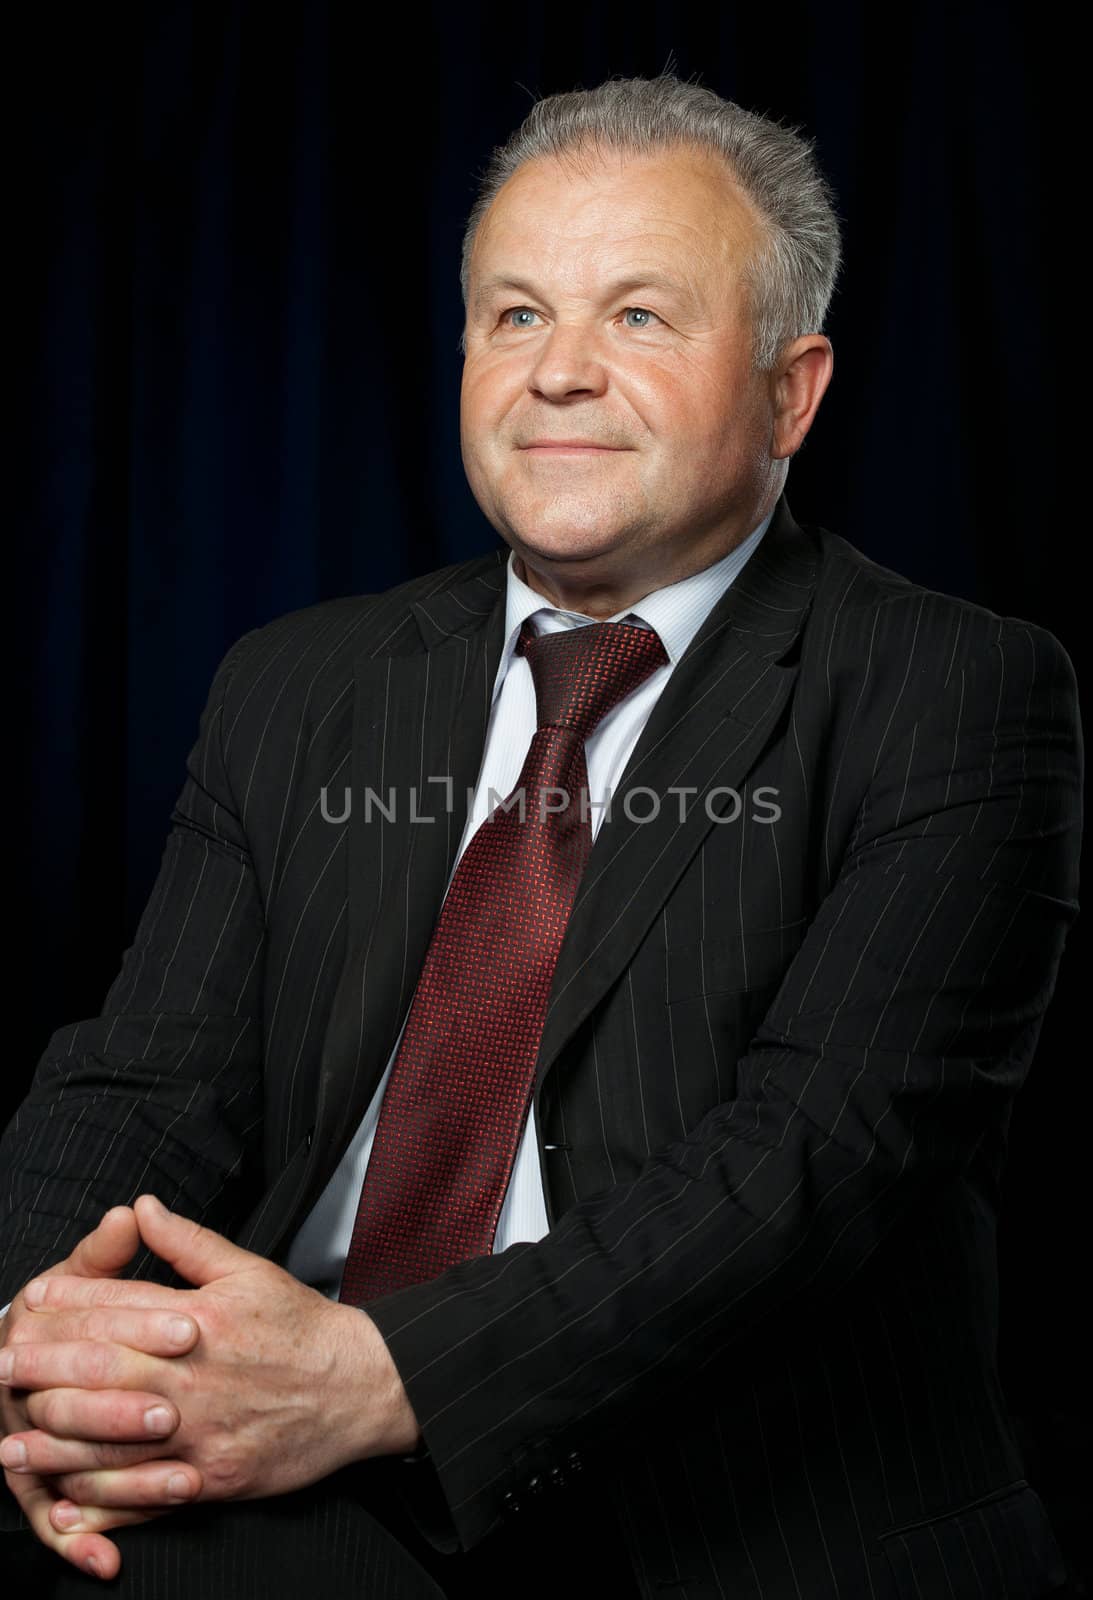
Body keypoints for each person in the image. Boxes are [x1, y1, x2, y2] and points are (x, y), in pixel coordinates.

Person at [0, 72, 1082, 1600]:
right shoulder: (300, 681)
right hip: (263, 1469)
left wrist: (379, 1376)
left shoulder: (951, 690)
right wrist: (47, 1347)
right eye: (513, 316)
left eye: (638, 317)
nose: (556, 373)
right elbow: (144, 1076)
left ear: (792, 389)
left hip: (714, 1515)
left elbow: (817, 1162)